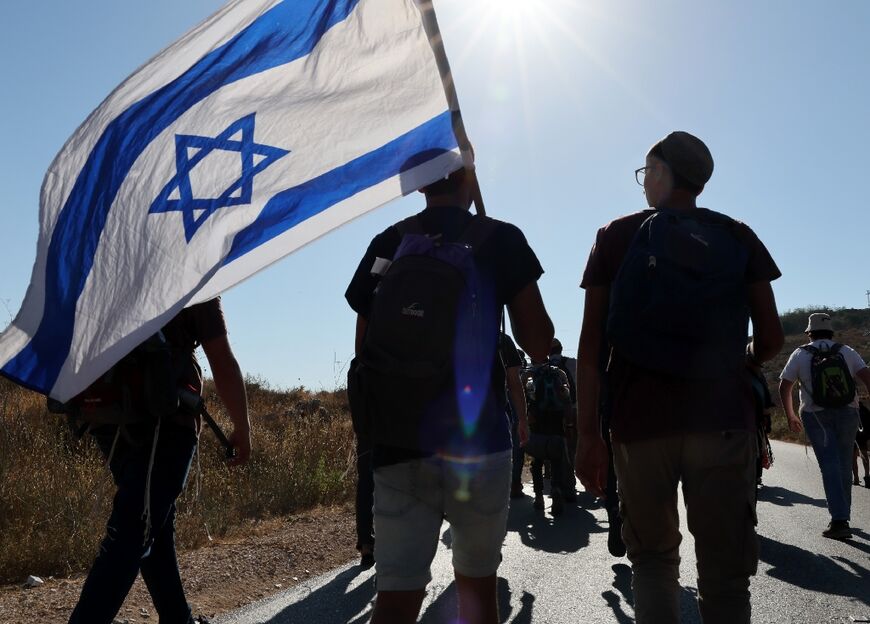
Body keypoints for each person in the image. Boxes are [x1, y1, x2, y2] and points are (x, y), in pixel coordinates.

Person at [576, 131, 784, 624]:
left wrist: (587, 436)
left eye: (646, 171)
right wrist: (745, 359)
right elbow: (772, 337)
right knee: (726, 577)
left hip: (639, 422)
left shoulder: (615, 235)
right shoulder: (736, 234)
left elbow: (591, 347)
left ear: (661, 174)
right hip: (722, 419)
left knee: (652, 562)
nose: (644, 181)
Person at [345, 161, 552, 624]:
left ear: (420, 184)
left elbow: (365, 350)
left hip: (398, 441)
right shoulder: (501, 238)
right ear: (469, 179)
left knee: (395, 600)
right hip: (478, 444)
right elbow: (539, 343)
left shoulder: (389, 241)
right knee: (476, 596)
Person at [69, 298, 251, 624]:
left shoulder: (113, 272)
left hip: (108, 413)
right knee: (134, 530)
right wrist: (242, 426)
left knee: (152, 523)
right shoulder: (191, 280)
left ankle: (178, 619)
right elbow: (221, 359)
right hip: (166, 420)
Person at [778, 312, 870, 539]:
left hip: (815, 415)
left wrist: (791, 415)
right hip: (849, 413)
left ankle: (839, 520)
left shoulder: (800, 353)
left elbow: (785, 386)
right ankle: (843, 517)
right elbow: (867, 377)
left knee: (829, 465)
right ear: (831, 332)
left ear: (809, 333)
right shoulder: (846, 351)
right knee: (845, 463)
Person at [524, 361, 573, 515]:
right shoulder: (559, 373)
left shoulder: (531, 374)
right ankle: (556, 488)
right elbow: (567, 398)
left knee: (537, 461)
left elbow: (526, 398)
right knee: (556, 459)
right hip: (557, 421)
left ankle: (539, 497)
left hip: (538, 423)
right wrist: (569, 424)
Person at [854, 402, 870, 488]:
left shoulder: (849, 409)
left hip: (852, 434)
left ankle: (856, 478)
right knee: (864, 455)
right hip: (863, 435)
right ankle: (867, 477)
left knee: (853, 457)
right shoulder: (865, 410)